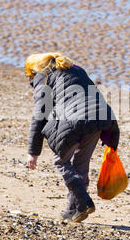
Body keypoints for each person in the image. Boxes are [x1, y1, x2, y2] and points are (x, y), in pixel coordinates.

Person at [25, 52, 120, 223]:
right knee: (80, 166)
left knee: (61, 162)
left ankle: (84, 202)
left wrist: (33, 152)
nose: (31, 79)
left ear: (34, 69)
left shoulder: (43, 77)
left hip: (75, 120)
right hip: (100, 118)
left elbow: (39, 115)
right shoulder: (76, 69)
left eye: (30, 75)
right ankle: (72, 210)